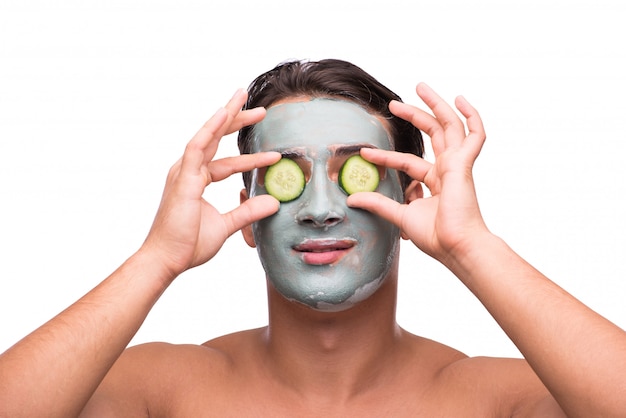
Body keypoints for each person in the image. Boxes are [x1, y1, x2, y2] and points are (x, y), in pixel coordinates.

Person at [0, 59, 625, 417]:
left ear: (411, 202)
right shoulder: (164, 390)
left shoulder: (493, 399)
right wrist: (156, 260)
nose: (321, 210)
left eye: (352, 170)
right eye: (286, 176)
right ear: (245, 212)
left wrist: (472, 246)